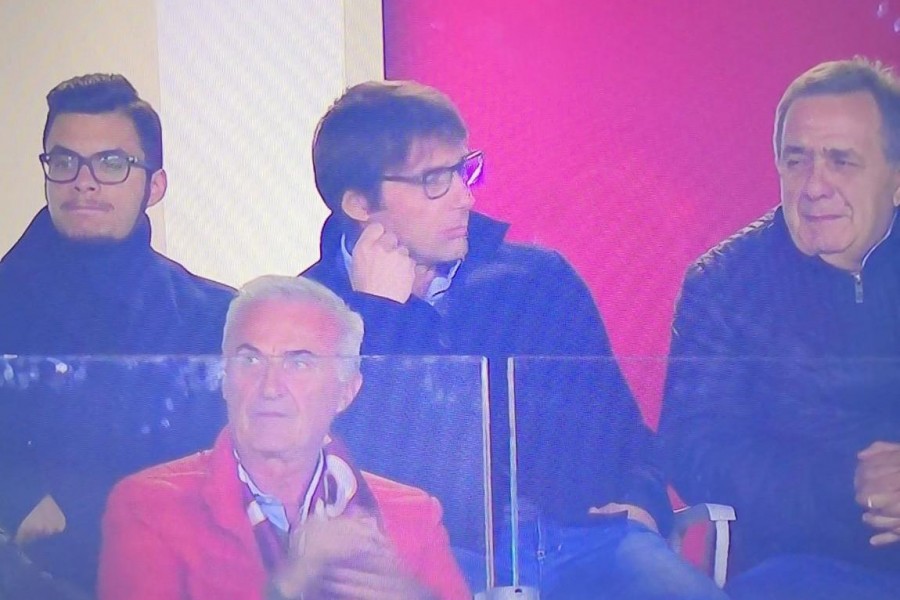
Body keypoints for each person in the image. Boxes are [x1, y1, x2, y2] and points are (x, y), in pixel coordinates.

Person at [303, 80, 726, 599]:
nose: (465, 195)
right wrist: (383, 318)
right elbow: (368, 476)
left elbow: (621, 430)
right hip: (434, 554)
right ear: (361, 204)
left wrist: (642, 503)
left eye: (464, 168)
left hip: (588, 538)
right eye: (435, 179)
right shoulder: (305, 315)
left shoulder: (536, 279)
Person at [659, 57, 900, 600]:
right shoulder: (723, 284)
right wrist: (852, 489)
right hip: (801, 562)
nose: (815, 185)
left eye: (842, 161)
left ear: (897, 178)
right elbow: (697, 452)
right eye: (797, 161)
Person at [0, 73, 234, 594]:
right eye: (63, 162)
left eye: (111, 163)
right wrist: (15, 498)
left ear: (155, 185)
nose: (83, 182)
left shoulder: (214, 315)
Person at [98, 275, 470, 600]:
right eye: (251, 360)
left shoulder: (411, 513)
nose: (270, 387)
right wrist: (291, 583)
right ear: (224, 380)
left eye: (299, 362)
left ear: (346, 392)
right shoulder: (149, 505)